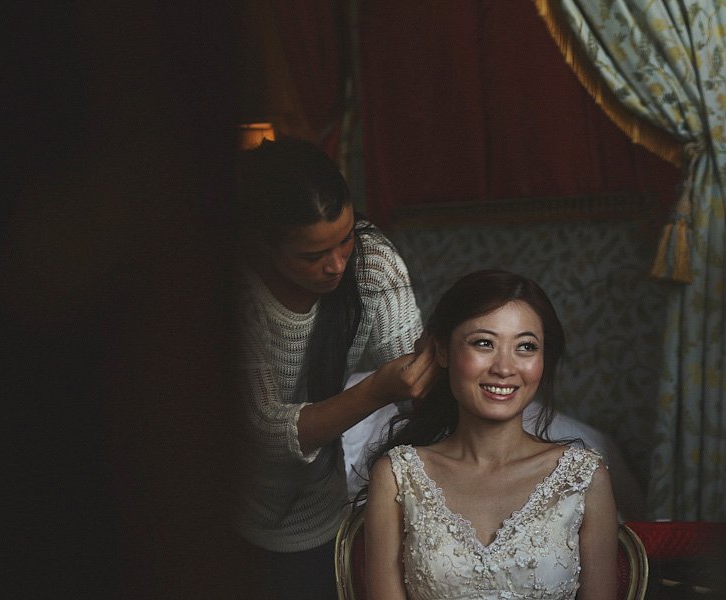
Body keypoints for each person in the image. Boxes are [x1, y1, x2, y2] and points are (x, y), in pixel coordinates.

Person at [234, 137, 436, 600]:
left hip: (322, 511)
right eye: (312, 255)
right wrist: (376, 391)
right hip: (229, 512)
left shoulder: (372, 263)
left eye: (345, 238)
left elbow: (415, 376)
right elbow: (267, 432)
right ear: (261, 245)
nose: (337, 264)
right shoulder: (238, 297)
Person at [365, 269, 618, 600]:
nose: (504, 367)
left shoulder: (583, 477)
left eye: (526, 347)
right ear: (442, 351)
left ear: (543, 360)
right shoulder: (398, 475)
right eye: (484, 343)